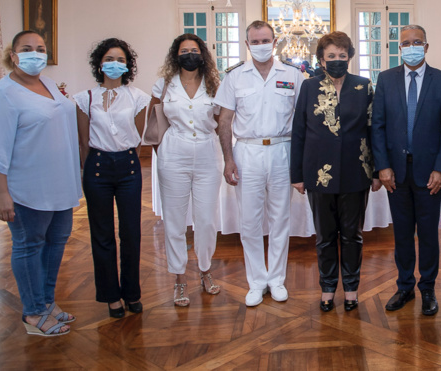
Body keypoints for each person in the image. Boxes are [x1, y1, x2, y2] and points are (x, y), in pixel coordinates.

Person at [0, 30, 80, 336]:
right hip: (26, 189)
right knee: (29, 246)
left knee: (55, 245)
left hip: (60, 185)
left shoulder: (48, 83)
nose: (35, 53)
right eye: (27, 48)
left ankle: (47, 302)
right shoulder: (1, 95)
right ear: (12, 55)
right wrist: (0, 193)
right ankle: (34, 313)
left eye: (40, 48)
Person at [214, 21, 304, 307]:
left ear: (274, 42)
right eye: (255, 41)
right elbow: (224, 121)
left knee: (280, 219)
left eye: (266, 40)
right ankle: (256, 281)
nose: (261, 45)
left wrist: (300, 163)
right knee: (250, 221)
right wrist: (229, 158)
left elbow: (302, 121)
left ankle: (276, 279)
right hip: (248, 153)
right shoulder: (234, 77)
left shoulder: (293, 74)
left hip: (282, 150)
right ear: (247, 44)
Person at [290, 31, 380, 312]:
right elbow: (299, 132)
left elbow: (373, 131)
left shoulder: (364, 86)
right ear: (321, 59)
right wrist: (297, 175)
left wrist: (376, 171)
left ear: (350, 57)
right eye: (331, 56)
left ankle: (351, 289)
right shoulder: (309, 87)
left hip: (357, 171)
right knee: (325, 236)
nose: (337, 60)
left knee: (352, 235)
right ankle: (328, 288)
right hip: (319, 173)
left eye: (342, 55)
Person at [371, 25, 441, 316]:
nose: (411, 46)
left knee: (429, 235)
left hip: (430, 173)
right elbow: (378, 127)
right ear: (399, 48)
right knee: (403, 234)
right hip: (395, 173)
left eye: (417, 42)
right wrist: (382, 166)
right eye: (405, 43)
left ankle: (428, 288)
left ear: (426, 46)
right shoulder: (385, 79)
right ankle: (405, 286)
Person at [74, 38, 149, 318]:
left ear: (127, 65)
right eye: (109, 58)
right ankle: (111, 296)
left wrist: (124, 156)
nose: (114, 64)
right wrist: (89, 169)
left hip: (128, 167)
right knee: (102, 234)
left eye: (120, 59)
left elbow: (138, 139)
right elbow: (83, 142)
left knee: (130, 232)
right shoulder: (85, 98)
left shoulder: (139, 97)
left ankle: (132, 293)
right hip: (97, 167)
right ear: (99, 63)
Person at [151, 33, 222, 307]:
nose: (189, 54)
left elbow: (221, 120)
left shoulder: (215, 84)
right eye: (184, 50)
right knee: (175, 221)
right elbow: (155, 124)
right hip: (173, 156)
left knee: (206, 220)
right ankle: (180, 279)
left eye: (194, 50)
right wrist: (164, 154)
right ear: (175, 55)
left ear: (202, 55)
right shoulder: (163, 85)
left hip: (207, 155)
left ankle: (206, 270)